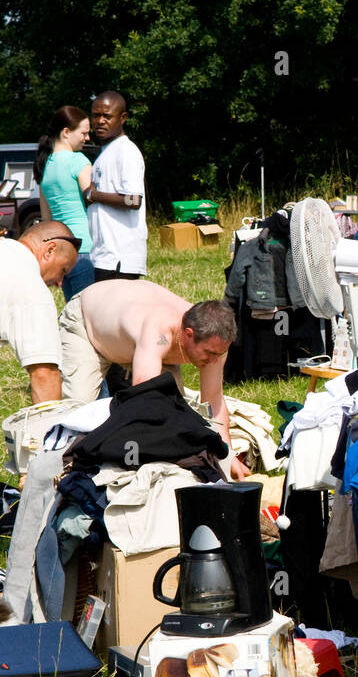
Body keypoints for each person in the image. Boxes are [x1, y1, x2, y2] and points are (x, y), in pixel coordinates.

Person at [58, 281, 251, 478]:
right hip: (88, 325)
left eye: (220, 354)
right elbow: (144, 401)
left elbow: (214, 403)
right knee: (76, 412)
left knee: (175, 413)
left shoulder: (215, 343)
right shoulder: (158, 332)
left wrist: (228, 457)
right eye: (209, 353)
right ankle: (56, 465)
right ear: (189, 334)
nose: (214, 360)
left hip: (135, 339)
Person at [0, 220, 79, 403]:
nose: (60, 283)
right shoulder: (31, 289)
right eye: (63, 271)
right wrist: (49, 430)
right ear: (50, 250)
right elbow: (44, 374)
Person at [33, 104, 95, 301]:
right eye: (84, 133)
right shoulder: (78, 161)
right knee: (89, 310)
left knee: (73, 310)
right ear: (67, 132)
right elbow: (93, 202)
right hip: (85, 246)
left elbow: (46, 219)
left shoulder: (45, 165)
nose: (87, 138)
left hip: (62, 250)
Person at [84, 90, 147, 280]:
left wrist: (93, 195)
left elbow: (133, 199)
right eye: (96, 115)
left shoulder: (126, 151)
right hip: (103, 256)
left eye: (107, 116)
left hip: (120, 258)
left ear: (123, 118)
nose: (100, 121)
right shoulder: (106, 152)